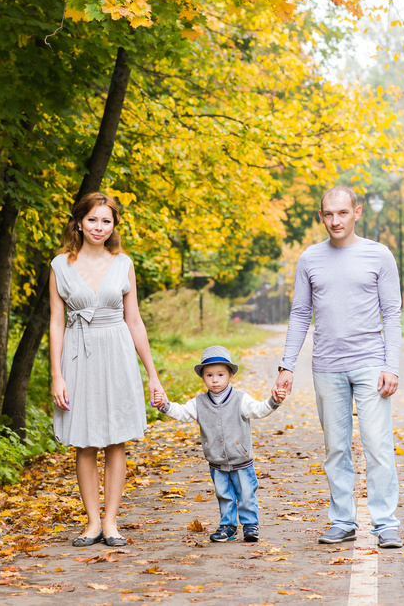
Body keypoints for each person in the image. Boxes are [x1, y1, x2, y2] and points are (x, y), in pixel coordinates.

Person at [273, 185, 404, 549]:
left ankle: (385, 523)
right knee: (336, 448)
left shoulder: (379, 256)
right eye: (328, 214)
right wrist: (287, 365)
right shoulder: (309, 259)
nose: (335, 221)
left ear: (357, 212)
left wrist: (391, 366)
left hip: (370, 364)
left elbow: (392, 313)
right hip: (327, 366)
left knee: (378, 444)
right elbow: (300, 313)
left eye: (342, 213)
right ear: (321, 216)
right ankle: (343, 520)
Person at [49, 192, 166, 548]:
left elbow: (135, 321)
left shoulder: (123, 263)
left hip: (116, 353)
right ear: (79, 222)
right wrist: (57, 374)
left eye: (106, 221)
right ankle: (92, 523)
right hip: (78, 355)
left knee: (116, 440)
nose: (98, 227)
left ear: (114, 225)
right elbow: (56, 322)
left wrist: (153, 375)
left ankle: (112, 522)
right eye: (92, 220)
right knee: (84, 442)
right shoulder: (60, 265)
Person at [154, 346, 285, 543]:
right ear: (203, 378)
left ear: (230, 375)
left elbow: (258, 410)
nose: (215, 380)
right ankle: (228, 527)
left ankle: (250, 525)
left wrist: (273, 401)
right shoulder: (199, 403)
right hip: (216, 460)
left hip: (242, 459)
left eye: (220, 374)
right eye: (209, 375)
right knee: (224, 495)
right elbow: (182, 413)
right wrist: (165, 405)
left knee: (247, 493)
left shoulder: (240, 399)